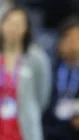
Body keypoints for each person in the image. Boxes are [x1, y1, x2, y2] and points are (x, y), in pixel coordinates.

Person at [0, 7, 52, 140]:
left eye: (18, 24)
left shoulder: (37, 57)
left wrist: (30, 110)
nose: (13, 28)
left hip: (24, 129)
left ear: (26, 29)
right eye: (9, 22)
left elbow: (43, 96)